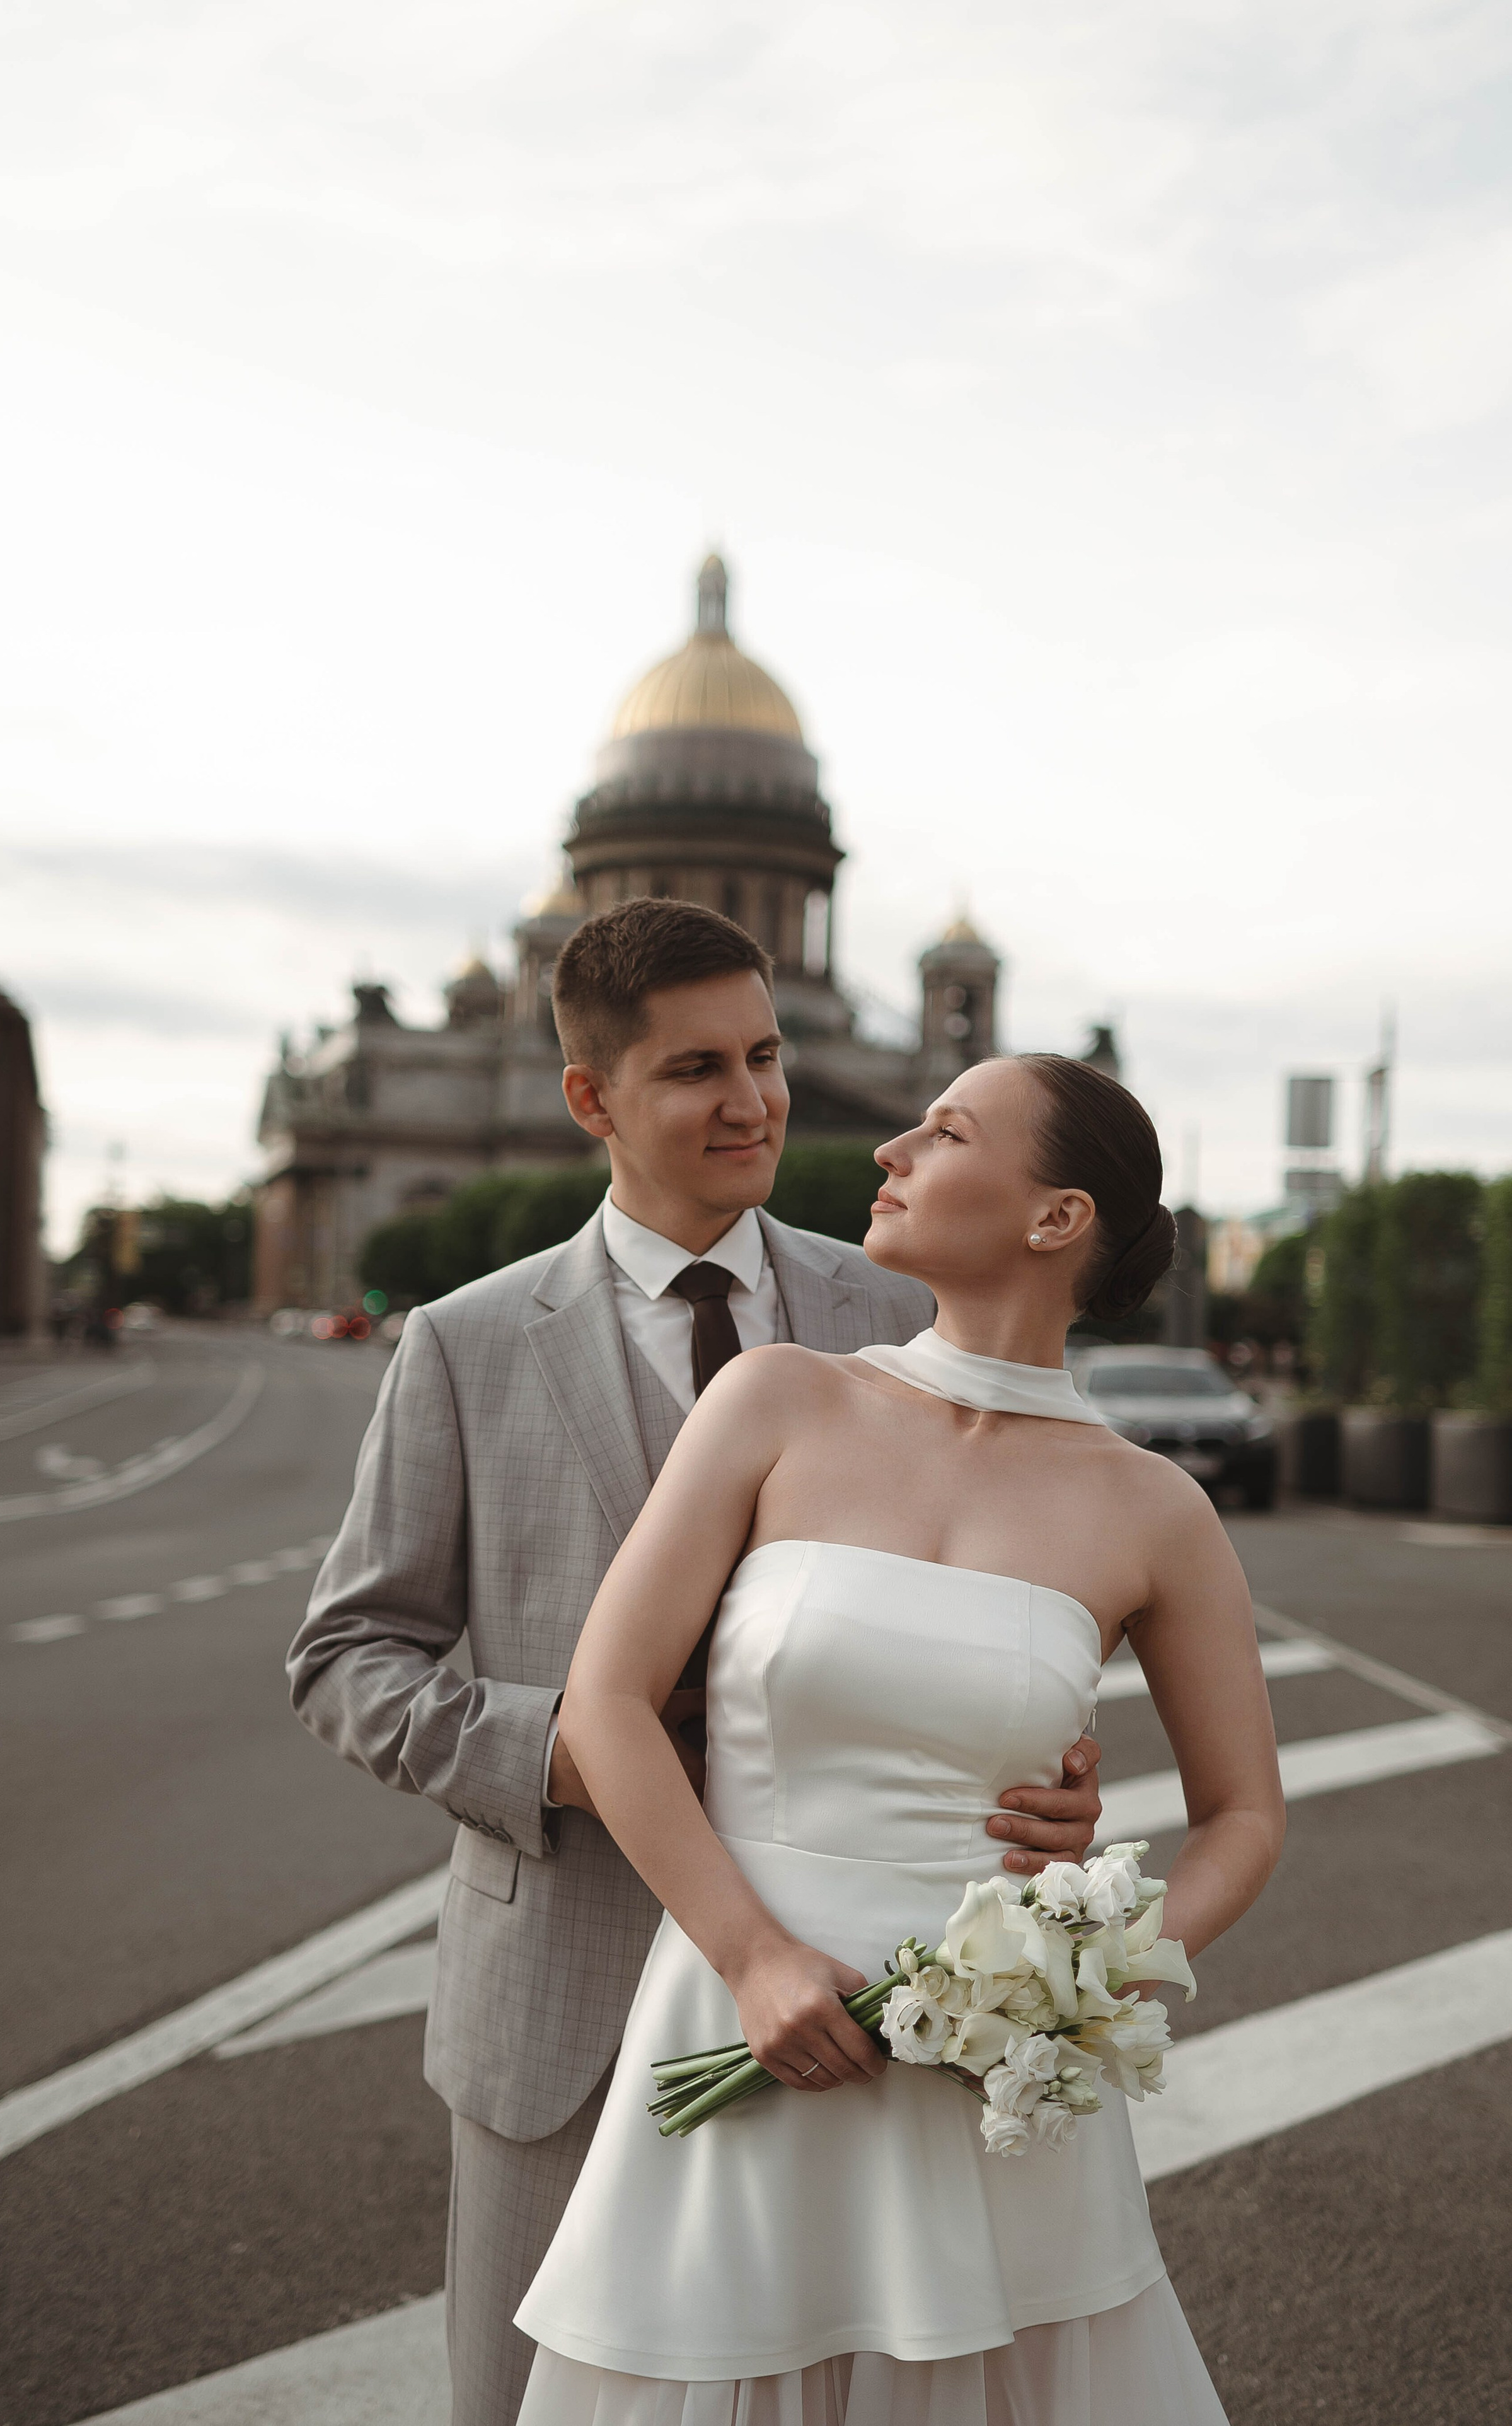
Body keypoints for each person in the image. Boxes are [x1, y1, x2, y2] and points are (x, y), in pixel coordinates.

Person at [287, 900, 1107, 2426]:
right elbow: (347, 1653)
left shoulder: (897, 1306)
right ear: (589, 1098)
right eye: (695, 1071)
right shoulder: (463, 1343)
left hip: (868, 1992)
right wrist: (559, 1750)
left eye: (768, 1054)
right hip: (569, 2005)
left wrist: (1052, 1771)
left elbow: (1026, 1587)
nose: (755, 1103)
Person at [514, 1049, 1286, 2426]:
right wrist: (749, 1960)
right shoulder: (774, 1400)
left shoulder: (1153, 1507)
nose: (888, 1154)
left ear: (1053, 1218)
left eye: (940, 1133)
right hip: (740, 2021)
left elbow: (1244, 1815)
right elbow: (605, 1702)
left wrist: (1091, 1974)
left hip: (992, 2084)